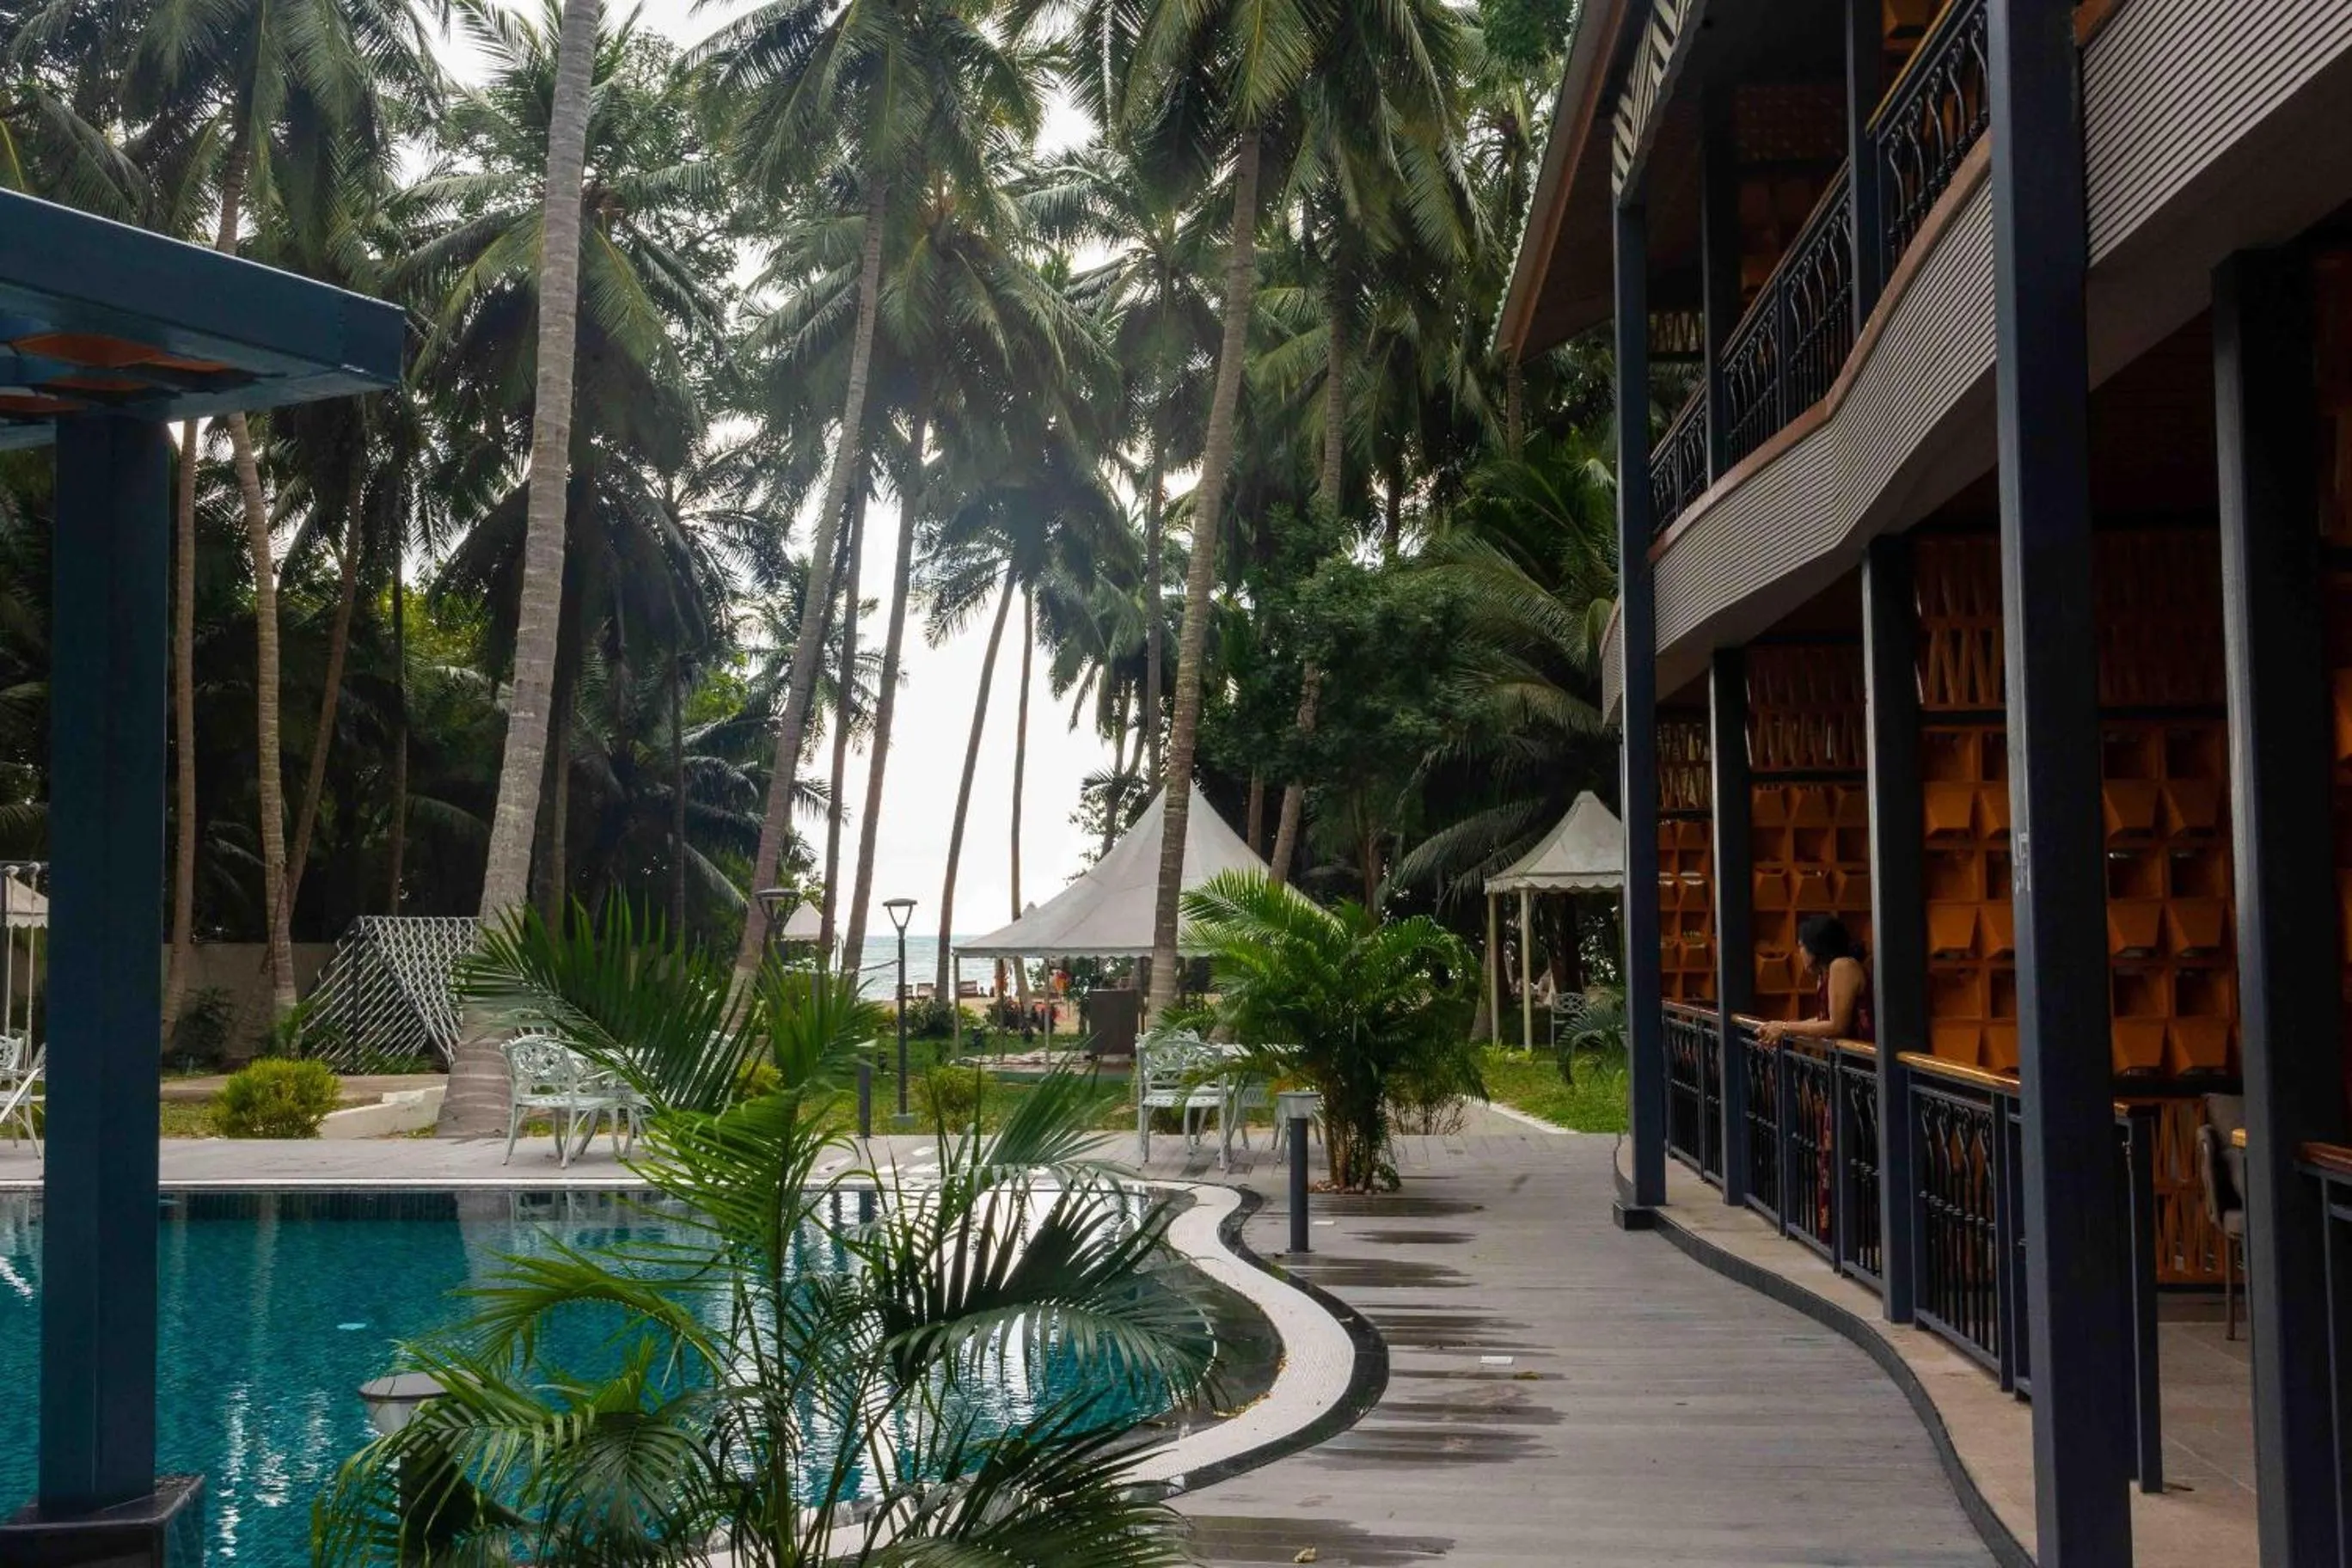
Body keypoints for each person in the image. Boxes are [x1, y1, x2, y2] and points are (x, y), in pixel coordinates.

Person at [1756, 915, 1873, 1044]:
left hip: (1862, 1057)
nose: (1799, 952)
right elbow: (1823, 1020)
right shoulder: (1824, 974)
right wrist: (1779, 1026)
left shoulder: (1842, 966)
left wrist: (1785, 1028)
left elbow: (1837, 1026)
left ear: (1815, 946)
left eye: (1801, 946)